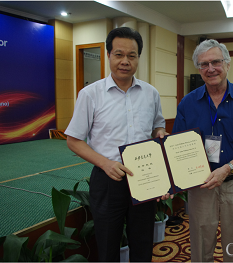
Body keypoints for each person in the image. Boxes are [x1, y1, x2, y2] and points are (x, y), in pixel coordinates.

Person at [65, 27, 169, 262]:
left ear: (138, 58)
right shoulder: (90, 94)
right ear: (109, 55)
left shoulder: (150, 93)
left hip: (145, 177)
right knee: (108, 243)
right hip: (107, 178)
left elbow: (157, 126)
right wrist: (106, 163)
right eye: (119, 54)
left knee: (143, 242)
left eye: (131, 56)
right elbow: (73, 140)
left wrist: (160, 132)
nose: (125, 61)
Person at [172, 39, 233, 262]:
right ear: (199, 69)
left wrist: (227, 168)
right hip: (201, 185)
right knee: (199, 243)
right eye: (204, 64)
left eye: (216, 62)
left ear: (227, 64)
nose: (211, 69)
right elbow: (176, 146)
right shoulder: (188, 103)